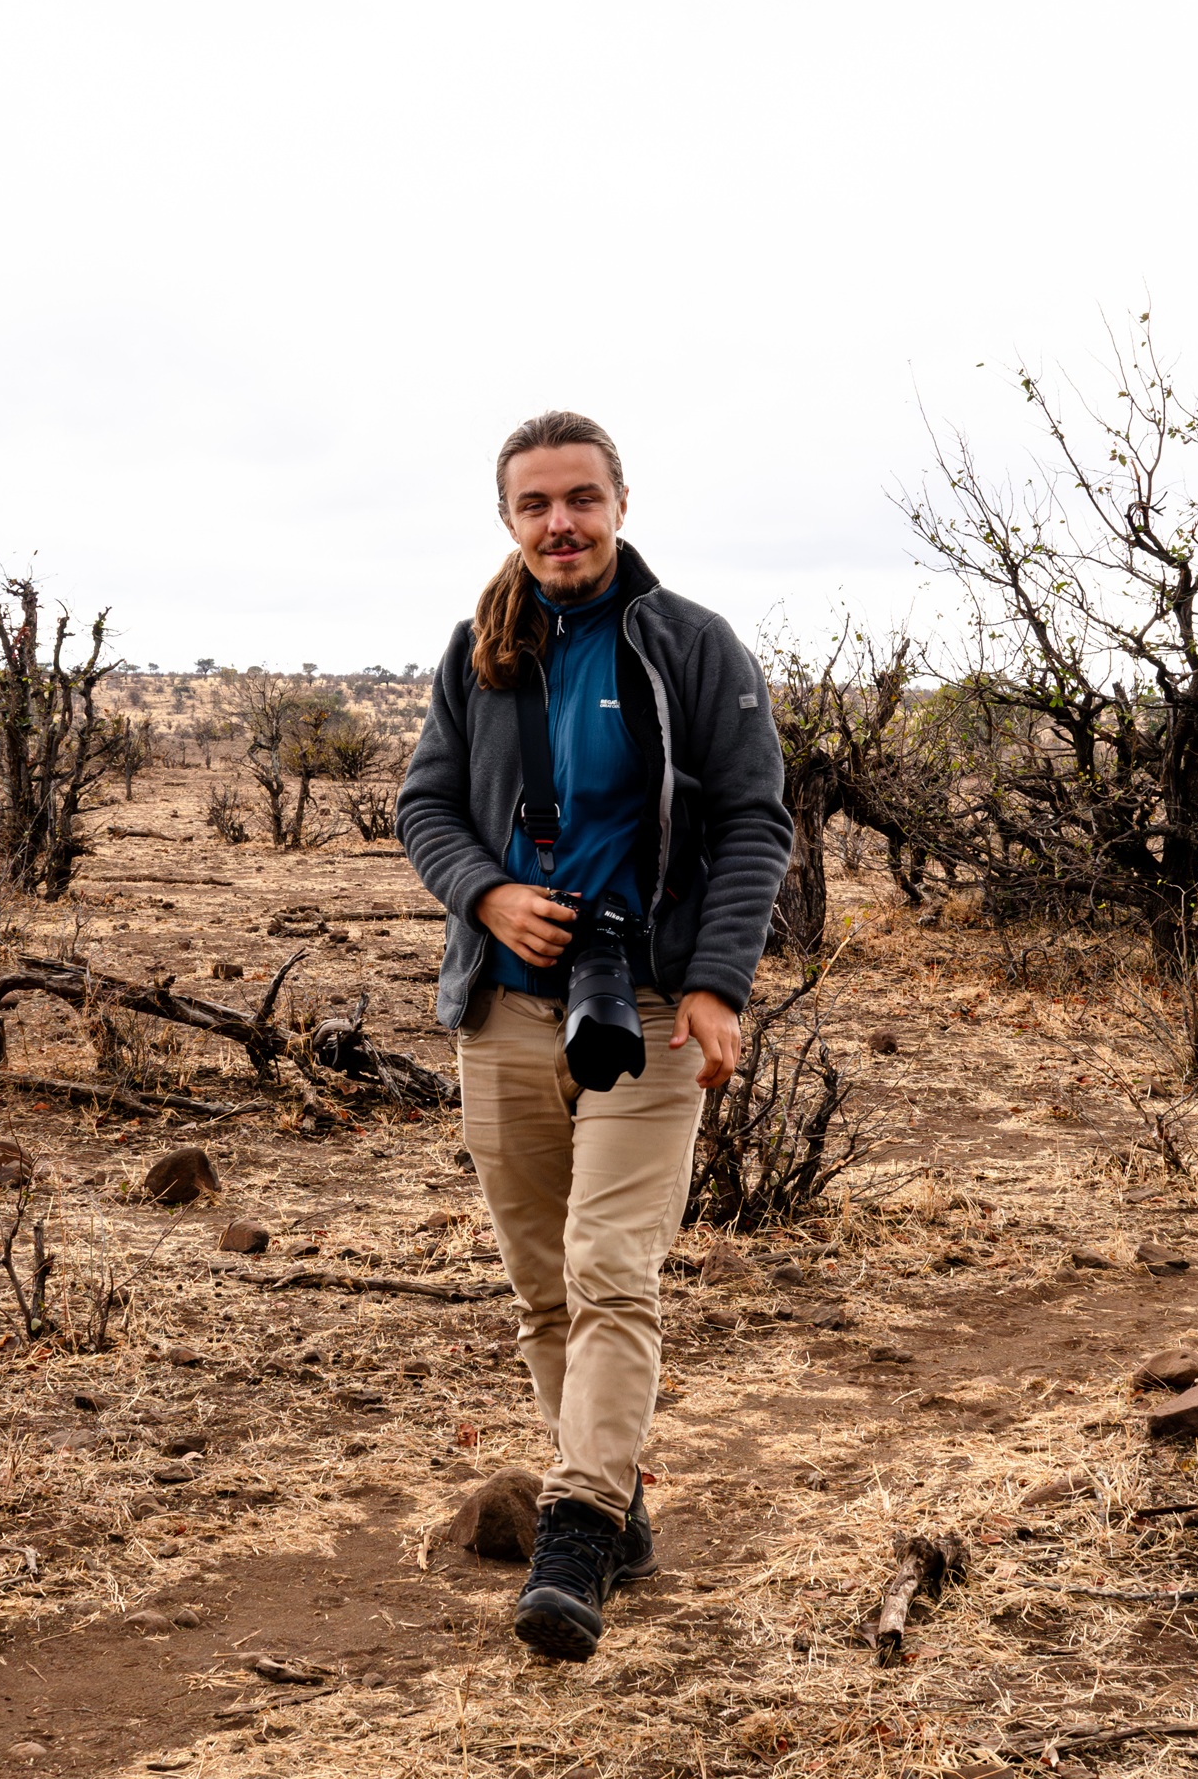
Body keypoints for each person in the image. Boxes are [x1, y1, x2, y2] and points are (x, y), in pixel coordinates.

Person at [395, 409, 791, 1661]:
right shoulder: (479, 648)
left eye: (580, 497)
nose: (558, 523)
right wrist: (487, 890)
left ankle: (575, 1533)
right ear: (508, 518)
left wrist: (719, 982)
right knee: (544, 1287)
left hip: (654, 1003)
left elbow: (754, 822)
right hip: (504, 1006)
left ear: (620, 501)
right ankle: (615, 1498)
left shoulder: (689, 643)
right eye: (534, 504)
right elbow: (424, 803)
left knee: (614, 1269)